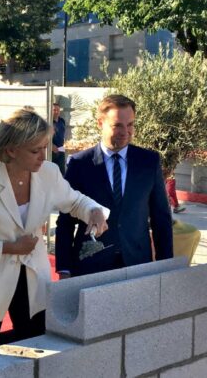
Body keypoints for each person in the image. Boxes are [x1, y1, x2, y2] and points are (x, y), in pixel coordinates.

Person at [0, 108, 109, 352]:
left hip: (34, 280)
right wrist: (9, 248)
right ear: (11, 150)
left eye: (45, 148)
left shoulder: (49, 172)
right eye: (35, 150)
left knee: (37, 351)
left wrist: (95, 211)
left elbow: (75, 202)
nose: (42, 156)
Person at [55, 94, 173, 277]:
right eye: (117, 125)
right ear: (100, 123)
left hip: (137, 263)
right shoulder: (80, 164)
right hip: (91, 266)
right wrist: (64, 268)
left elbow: (161, 218)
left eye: (130, 124)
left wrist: (165, 266)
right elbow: (66, 221)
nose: (125, 131)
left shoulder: (149, 162)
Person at [51, 102, 66, 175]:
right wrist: (51, 145)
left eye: (58, 110)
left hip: (61, 149)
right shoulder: (48, 122)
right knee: (52, 171)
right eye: (54, 110)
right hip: (52, 151)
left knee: (61, 171)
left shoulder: (62, 121)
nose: (56, 112)